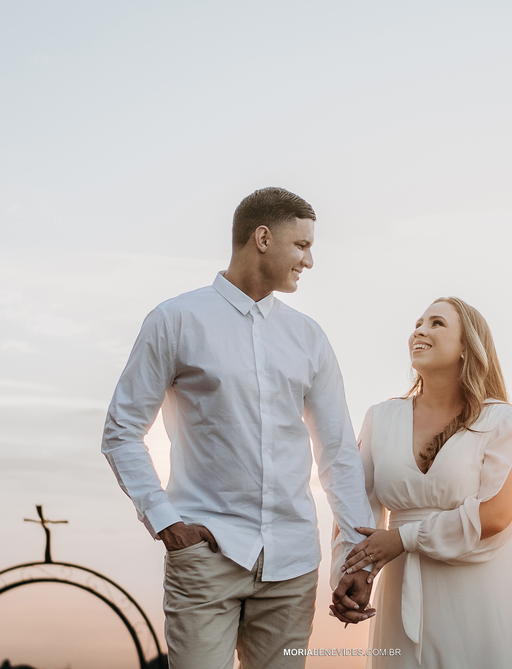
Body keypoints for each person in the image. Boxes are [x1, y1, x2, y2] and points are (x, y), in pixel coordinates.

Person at [102, 187, 376, 669]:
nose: (309, 261)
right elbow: (122, 430)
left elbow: (337, 452)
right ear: (263, 238)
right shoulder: (175, 320)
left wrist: (357, 556)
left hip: (292, 566)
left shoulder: (309, 337)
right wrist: (165, 522)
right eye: (302, 245)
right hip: (206, 559)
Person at [331, 297, 512, 668]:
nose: (420, 331)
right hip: (404, 590)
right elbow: (356, 504)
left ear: (467, 347)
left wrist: (403, 538)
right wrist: (355, 570)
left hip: (490, 590)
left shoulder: (502, 421)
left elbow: (496, 515)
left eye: (436, 323)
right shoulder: (381, 418)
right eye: (418, 324)